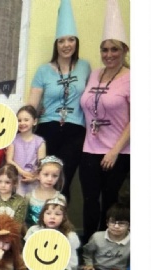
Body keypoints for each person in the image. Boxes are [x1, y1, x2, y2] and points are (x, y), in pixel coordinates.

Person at [28, 0, 91, 201]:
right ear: (56, 44)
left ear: (76, 42)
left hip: (75, 131)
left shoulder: (85, 67)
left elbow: (90, 99)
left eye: (71, 40)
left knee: (63, 180)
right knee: (45, 179)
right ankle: (42, 219)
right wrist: (25, 128)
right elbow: (32, 105)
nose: (66, 45)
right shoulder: (43, 70)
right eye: (61, 41)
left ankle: (59, 219)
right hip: (48, 129)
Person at [79, 3, 130, 243]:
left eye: (114, 49)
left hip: (119, 151)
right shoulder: (94, 74)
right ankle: (90, 245)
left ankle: (107, 246)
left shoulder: (133, 78)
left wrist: (115, 151)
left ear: (124, 50)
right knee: (90, 200)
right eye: (105, 50)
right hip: (90, 148)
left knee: (110, 201)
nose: (109, 54)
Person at [77, 203, 130, 270]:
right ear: (107, 223)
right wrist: (89, 264)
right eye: (113, 222)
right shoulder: (97, 237)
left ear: (129, 225)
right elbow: (87, 252)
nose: (116, 226)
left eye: (121, 223)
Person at [24, 197, 80, 270]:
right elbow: (28, 254)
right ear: (43, 216)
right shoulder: (34, 231)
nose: (52, 217)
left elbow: (72, 260)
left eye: (57, 214)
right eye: (48, 213)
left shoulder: (69, 236)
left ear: (64, 217)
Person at [5, 105, 46, 196]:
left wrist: (34, 177)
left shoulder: (39, 142)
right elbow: (9, 160)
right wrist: (23, 172)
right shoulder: (13, 140)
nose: (22, 123)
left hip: (33, 180)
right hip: (15, 179)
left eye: (26, 120)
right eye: (19, 120)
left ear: (34, 121)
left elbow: (42, 164)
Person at [25, 156, 66, 227]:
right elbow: (24, 221)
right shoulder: (29, 196)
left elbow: (63, 222)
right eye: (46, 175)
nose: (50, 179)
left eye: (54, 176)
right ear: (38, 175)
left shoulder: (60, 198)